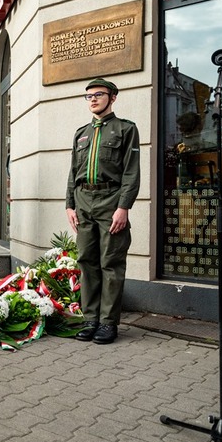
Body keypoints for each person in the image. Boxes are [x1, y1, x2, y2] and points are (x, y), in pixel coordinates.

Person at [66, 78, 140, 345]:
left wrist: (124, 207)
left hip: (111, 200)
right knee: (87, 260)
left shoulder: (125, 129)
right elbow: (73, 172)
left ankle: (108, 323)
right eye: (88, 96)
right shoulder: (81, 133)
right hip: (83, 200)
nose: (93, 99)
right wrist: (69, 205)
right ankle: (90, 319)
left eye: (99, 94)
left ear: (113, 97)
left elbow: (131, 171)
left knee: (110, 262)